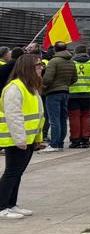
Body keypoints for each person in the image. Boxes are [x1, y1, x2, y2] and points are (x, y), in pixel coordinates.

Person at [0, 52, 46, 218]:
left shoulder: (31, 87)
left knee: (18, 172)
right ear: (28, 68)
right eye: (38, 65)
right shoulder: (15, 88)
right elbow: (14, 116)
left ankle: (11, 204)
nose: (41, 68)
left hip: (28, 137)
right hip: (16, 138)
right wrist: (20, 139)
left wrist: (37, 138)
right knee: (12, 172)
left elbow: (38, 115)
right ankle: (2, 206)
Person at [40, 42, 77, 151]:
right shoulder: (71, 61)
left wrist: (43, 87)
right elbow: (75, 78)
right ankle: (60, 143)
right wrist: (65, 85)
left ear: (55, 50)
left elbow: (47, 79)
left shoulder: (53, 61)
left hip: (53, 93)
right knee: (62, 119)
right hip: (65, 92)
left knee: (54, 119)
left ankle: (54, 144)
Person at [66, 45, 90, 148]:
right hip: (88, 94)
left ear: (75, 52)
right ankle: (85, 139)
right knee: (86, 117)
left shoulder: (70, 62)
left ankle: (75, 140)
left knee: (74, 117)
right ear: (86, 52)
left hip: (73, 94)